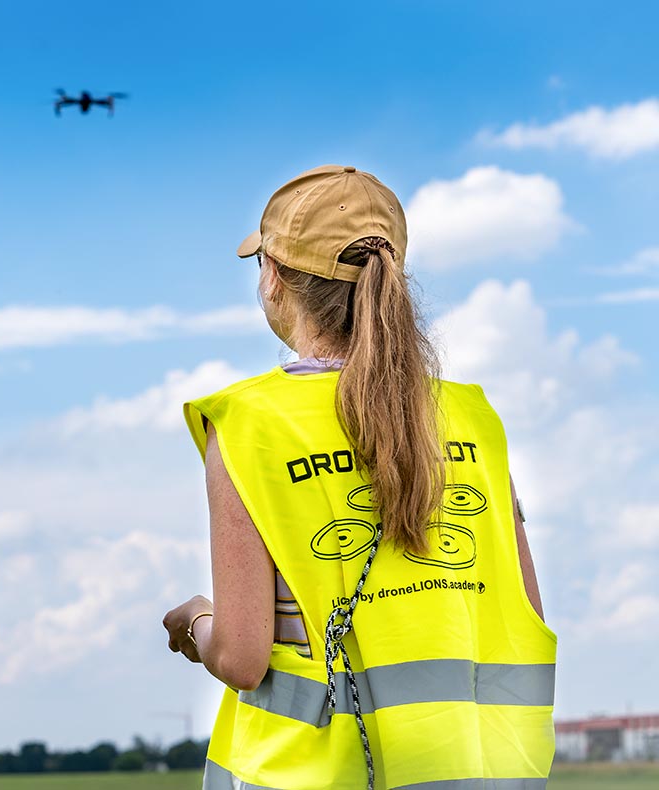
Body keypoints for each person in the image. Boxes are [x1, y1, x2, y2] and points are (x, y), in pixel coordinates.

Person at [162, 165, 556, 789]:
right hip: (476, 773)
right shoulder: (473, 420)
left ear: (273, 278)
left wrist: (194, 620)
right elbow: (520, 611)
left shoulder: (249, 422)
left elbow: (241, 656)